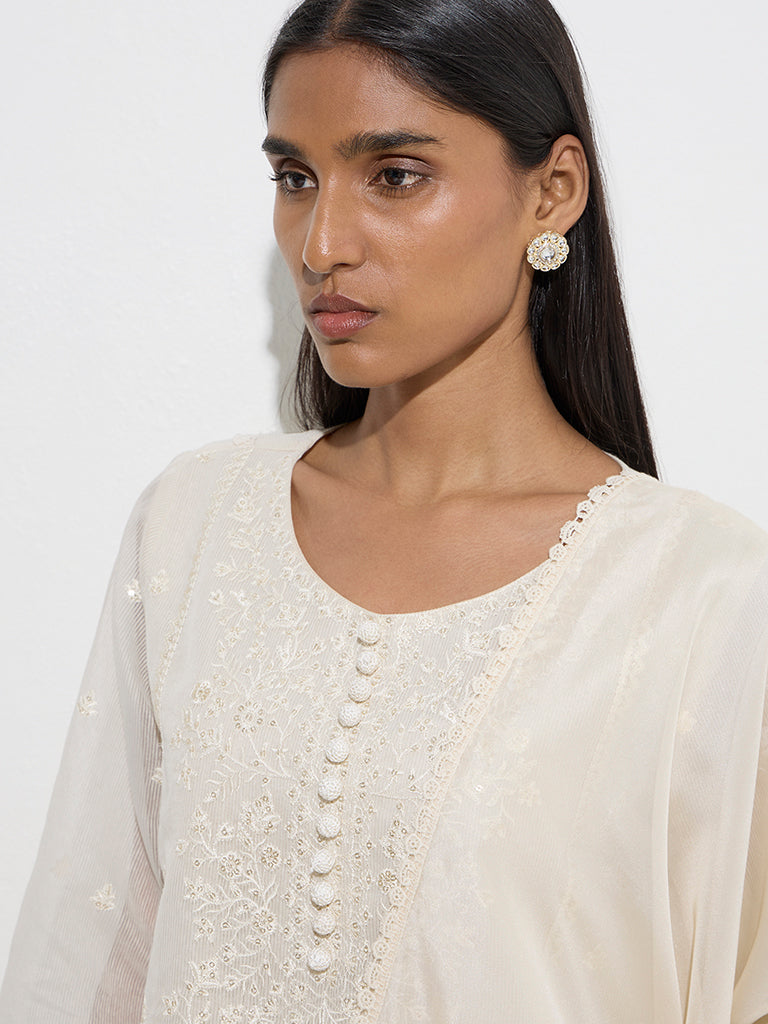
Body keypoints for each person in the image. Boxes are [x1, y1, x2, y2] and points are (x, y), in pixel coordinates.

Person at [2, 0, 767, 1020]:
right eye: (294, 178)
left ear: (553, 192)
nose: (321, 242)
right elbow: (94, 963)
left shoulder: (708, 597)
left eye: (395, 175)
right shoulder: (192, 528)